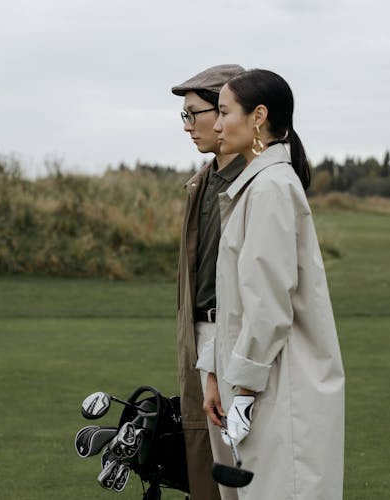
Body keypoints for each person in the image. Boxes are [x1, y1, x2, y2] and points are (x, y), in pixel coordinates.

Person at [203, 69, 345, 499]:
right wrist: (215, 369)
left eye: (224, 112)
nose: (215, 124)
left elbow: (267, 305)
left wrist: (242, 390)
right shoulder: (259, 185)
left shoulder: (270, 188)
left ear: (258, 117)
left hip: (281, 388)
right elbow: (236, 302)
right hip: (265, 383)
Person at [171, 64, 246, 500]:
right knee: (210, 466)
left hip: (233, 338)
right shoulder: (201, 182)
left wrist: (216, 358)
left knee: (245, 465)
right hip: (202, 336)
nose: (187, 127)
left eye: (191, 114)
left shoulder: (257, 182)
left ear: (223, 111)